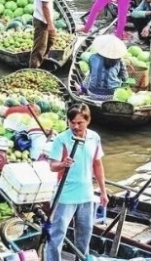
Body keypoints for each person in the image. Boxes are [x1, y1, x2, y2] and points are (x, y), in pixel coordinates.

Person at [45, 103, 108, 261]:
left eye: (79, 123)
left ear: (88, 121)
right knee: (56, 235)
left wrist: (103, 191)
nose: (75, 126)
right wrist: (62, 164)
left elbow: (97, 165)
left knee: (84, 235)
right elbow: (52, 166)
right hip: (65, 195)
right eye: (72, 122)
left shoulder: (94, 138)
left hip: (86, 195)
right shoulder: (62, 139)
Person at [29, 0, 62, 69]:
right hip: (42, 20)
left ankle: (42, 64)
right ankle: (33, 70)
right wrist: (50, 23)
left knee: (50, 41)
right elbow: (45, 6)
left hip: (42, 18)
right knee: (39, 49)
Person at [83, 34, 128, 99]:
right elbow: (125, 78)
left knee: (89, 74)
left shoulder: (92, 57)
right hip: (112, 95)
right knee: (120, 78)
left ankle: (82, 89)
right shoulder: (119, 60)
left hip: (92, 93)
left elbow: (92, 73)